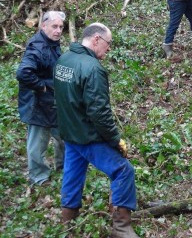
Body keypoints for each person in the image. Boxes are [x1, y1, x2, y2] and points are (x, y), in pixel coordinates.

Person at [54, 23, 138, 237]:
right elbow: (99, 112)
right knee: (123, 170)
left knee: (73, 173)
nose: (108, 50)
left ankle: (68, 217)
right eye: (108, 44)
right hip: (87, 136)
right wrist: (115, 139)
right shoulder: (92, 68)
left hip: (69, 133)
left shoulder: (64, 60)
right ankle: (121, 227)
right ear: (96, 39)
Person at [16, 11, 66, 186]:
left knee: (62, 134)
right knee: (38, 142)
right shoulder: (38, 46)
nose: (58, 30)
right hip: (37, 103)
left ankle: (62, 167)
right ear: (43, 26)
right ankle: (39, 177)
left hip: (52, 101)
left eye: (61, 27)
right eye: (54, 26)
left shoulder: (52, 43)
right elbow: (23, 73)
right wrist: (41, 86)